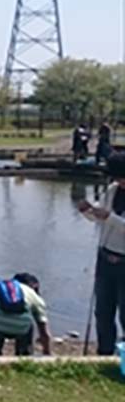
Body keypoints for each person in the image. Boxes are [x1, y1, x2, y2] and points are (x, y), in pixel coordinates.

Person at [76, 151, 125, 354]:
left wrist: (109, 217)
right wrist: (88, 211)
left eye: (121, 177)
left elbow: (110, 219)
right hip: (105, 258)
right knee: (103, 311)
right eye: (116, 177)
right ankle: (104, 353)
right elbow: (99, 216)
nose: (118, 181)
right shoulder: (113, 190)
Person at [0, 273, 52, 356]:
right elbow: (44, 332)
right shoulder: (34, 296)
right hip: (17, 326)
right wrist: (47, 352)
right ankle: (24, 353)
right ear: (34, 286)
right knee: (28, 325)